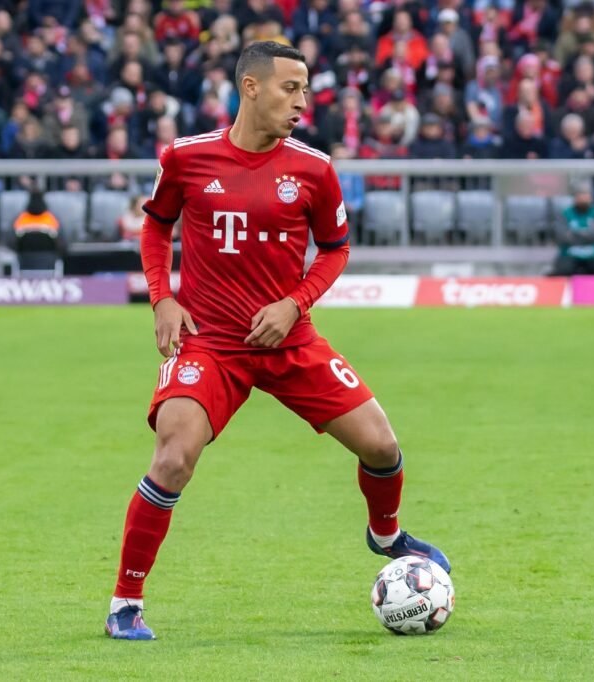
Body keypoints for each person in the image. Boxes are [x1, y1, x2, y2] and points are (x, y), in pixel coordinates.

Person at [106, 41, 450, 641]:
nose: (302, 102)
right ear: (251, 87)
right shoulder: (185, 157)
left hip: (289, 339)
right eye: (291, 88)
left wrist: (295, 304)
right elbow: (157, 225)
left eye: (305, 91)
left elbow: (336, 249)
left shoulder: (314, 169)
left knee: (382, 446)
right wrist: (162, 297)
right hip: (211, 342)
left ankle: (387, 534)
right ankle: (125, 603)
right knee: (173, 457)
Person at [551, 180, 594, 276]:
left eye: (586, 195)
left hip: (593, 254)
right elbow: (562, 236)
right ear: (575, 197)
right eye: (581, 194)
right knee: (561, 271)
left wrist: (576, 234)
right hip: (570, 253)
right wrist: (587, 235)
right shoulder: (565, 213)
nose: (583, 198)